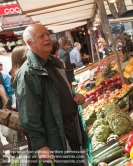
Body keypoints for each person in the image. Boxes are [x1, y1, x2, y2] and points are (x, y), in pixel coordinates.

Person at [13, 24, 87, 165]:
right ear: (30, 43)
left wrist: (74, 96)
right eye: (41, 36)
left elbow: (62, 91)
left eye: (47, 34)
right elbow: (29, 116)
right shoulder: (27, 75)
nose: (47, 38)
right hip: (55, 139)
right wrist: (40, 145)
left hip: (71, 130)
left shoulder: (55, 63)